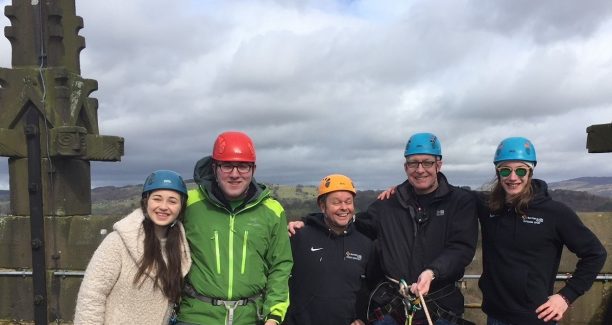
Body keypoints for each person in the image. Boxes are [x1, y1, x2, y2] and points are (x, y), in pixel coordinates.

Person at [289, 132, 479, 325]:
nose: (420, 169)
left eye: (427, 163)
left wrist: (432, 272)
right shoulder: (388, 204)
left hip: (438, 306)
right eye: (413, 163)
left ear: (439, 164)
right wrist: (310, 224)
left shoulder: (460, 202)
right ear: (406, 167)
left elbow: (461, 248)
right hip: (394, 308)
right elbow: (351, 223)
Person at [478, 137, 607, 325]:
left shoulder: (555, 213)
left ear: (530, 172)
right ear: (498, 173)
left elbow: (595, 254)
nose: (513, 177)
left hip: (536, 317)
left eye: (520, 170)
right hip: (495, 316)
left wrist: (566, 296)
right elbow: (451, 195)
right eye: (505, 170)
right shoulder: (489, 207)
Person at [177, 131, 293, 325]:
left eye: (243, 166)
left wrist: (274, 314)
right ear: (214, 168)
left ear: (253, 169)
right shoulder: (189, 204)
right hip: (195, 317)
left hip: (251, 317)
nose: (235, 174)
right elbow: (154, 224)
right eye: (227, 165)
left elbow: (280, 265)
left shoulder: (273, 211)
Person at [74, 170, 191, 324]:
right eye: (157, 199)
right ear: (146, 201)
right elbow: (91, 296)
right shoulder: (117, 242)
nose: (163, 206)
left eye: (172, 201)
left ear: (181, 207)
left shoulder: (180, 246)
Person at [284, 174, 374, 325]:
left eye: (348, 202)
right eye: (336, 202)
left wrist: (362, 318)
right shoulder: (299, 236)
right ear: (322, 206)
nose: (344, 207)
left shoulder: (365, 244)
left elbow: (370, 289)